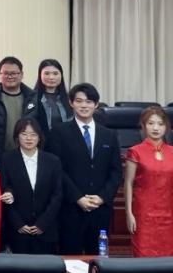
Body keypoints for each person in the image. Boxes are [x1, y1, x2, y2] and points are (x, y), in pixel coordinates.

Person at [46, 83, 122, 255]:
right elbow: (56, 170)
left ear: (96, 104)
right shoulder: (59, 132)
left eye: (88, 102)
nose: (84, 106)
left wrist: (102, 197)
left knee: (98, 258)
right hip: (71, 208)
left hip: (100, 209)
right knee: (70, 258)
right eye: (79, 101)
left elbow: (116, 172)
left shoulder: (109, 135)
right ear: (71, 103)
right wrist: (78, 197)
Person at [0, 118, 63, 254]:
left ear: (39, 137)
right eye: (24, 134)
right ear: (17, 136)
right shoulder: (7, 159)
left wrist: (43, 223)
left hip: (46, 230)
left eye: (33, 134)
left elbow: (57, 195)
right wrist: (18, 224)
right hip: (17, 231)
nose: (29, 138)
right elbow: (3, 192)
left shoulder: (52, 161)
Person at [124, 106, 173, 257]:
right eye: (151, 123)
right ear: (144, 126)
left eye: (160, 124)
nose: (156, 128)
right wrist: (129, 212)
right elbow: (128, 183)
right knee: (144, 257)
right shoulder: (135, 151)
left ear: (166, 127)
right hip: (143, 214)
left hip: (169, 213)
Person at [0, 56, 35, 151]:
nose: (10, 76)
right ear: (0, 74)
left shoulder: (33, 98)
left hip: (26, 152)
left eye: (14, 73)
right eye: (6, 73)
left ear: (22, 74)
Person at [29, 59, 73, 140]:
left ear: (61, 75)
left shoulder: (70, 99)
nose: (51, 77)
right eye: (46, 73)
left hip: (65, 142)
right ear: (40, 75)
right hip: (41, 143)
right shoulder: (31, 98)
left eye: (55, 73)